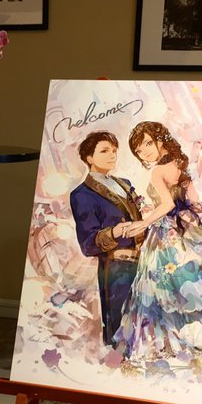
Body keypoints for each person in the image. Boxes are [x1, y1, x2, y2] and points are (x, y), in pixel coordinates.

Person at [113, 121, 202, 361]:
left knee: (158, 287)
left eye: (147, 144)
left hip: (163, 237)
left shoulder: (157, 171)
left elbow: (167, 204)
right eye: (139, 151)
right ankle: (197, 336)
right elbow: (194, 202)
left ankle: (164, 343)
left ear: (160, 140)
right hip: (179, 234)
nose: (144, 153)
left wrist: (143, 223)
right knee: (184, 284)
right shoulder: (179, 164)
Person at [69, 131, 144, 346]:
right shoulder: (82, 194)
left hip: (144, 261)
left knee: (144, 319)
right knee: (119, 321)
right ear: (89, 158)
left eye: (114, 151)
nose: (112, 155)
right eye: (104, 151)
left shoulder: (125, 184)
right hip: (116, 267)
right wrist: (115, 232)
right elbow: (88, 244)